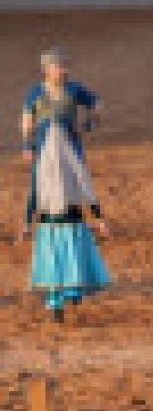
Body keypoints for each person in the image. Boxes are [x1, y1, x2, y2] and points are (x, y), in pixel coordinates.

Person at [24, 118, 110, 323]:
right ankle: (71, 294)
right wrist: (99, 218)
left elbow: (33, 196)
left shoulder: (41, 165)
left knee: (53, 266)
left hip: (48, 225)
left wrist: (27, 223)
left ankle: (56, 305)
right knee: (72, 262)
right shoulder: (74, 162)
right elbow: (87, 190)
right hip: (72, 222)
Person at [20, 49, 100, 228]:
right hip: (43, 145)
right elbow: (27, 121)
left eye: (64, 66)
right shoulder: (35, 92)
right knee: (37, 182)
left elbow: (96, 104)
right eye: (58, 67)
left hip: (70, 144)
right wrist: (27, 146)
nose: (64, 70)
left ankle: (93, 220)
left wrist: (89, 124)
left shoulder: (75, 88)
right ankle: (27, 224)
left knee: (79, 178)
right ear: (46, 70)